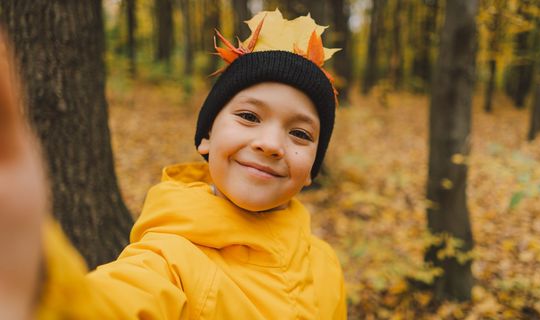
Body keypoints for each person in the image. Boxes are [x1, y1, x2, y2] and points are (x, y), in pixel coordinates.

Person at [2, 9, 347, 319]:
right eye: (248, 116)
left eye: (300, 134)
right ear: (206, 138)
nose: (271, 144)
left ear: (312, 169)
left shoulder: (324, 264)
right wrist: (35, 277)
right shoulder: (169, 261)